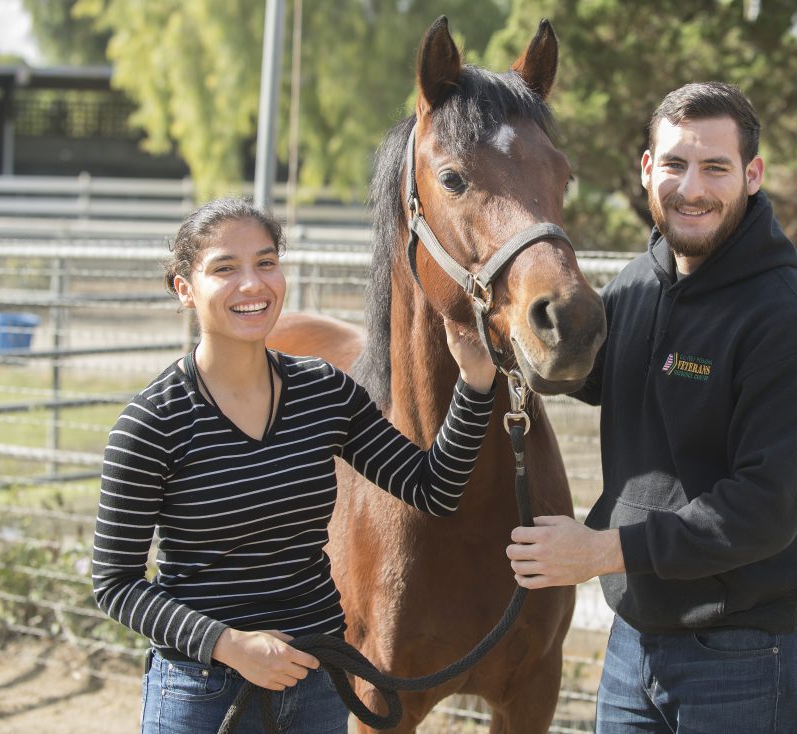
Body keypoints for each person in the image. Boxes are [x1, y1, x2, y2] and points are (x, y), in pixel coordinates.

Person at [506, 82, 797, 733]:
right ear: (647, 170)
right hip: (635, 646)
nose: (691, 188)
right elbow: (583, 369)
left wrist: (604, 551)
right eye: (674, 165)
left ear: (753, 175)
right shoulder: (640, 284)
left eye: (715, 168)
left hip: (745, 656)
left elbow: (762, 510)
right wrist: (498, 342)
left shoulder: (789, 324)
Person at [91, 197, 497, 734]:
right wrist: (231, 647)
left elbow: (433, 489)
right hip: (204, 690)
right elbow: (115, 583)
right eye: (224, 269)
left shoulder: (322, 391)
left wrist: (475, 384)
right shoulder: (152, 423)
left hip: (315, 684)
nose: (252, 284)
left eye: (265, 262)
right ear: (184, 288)